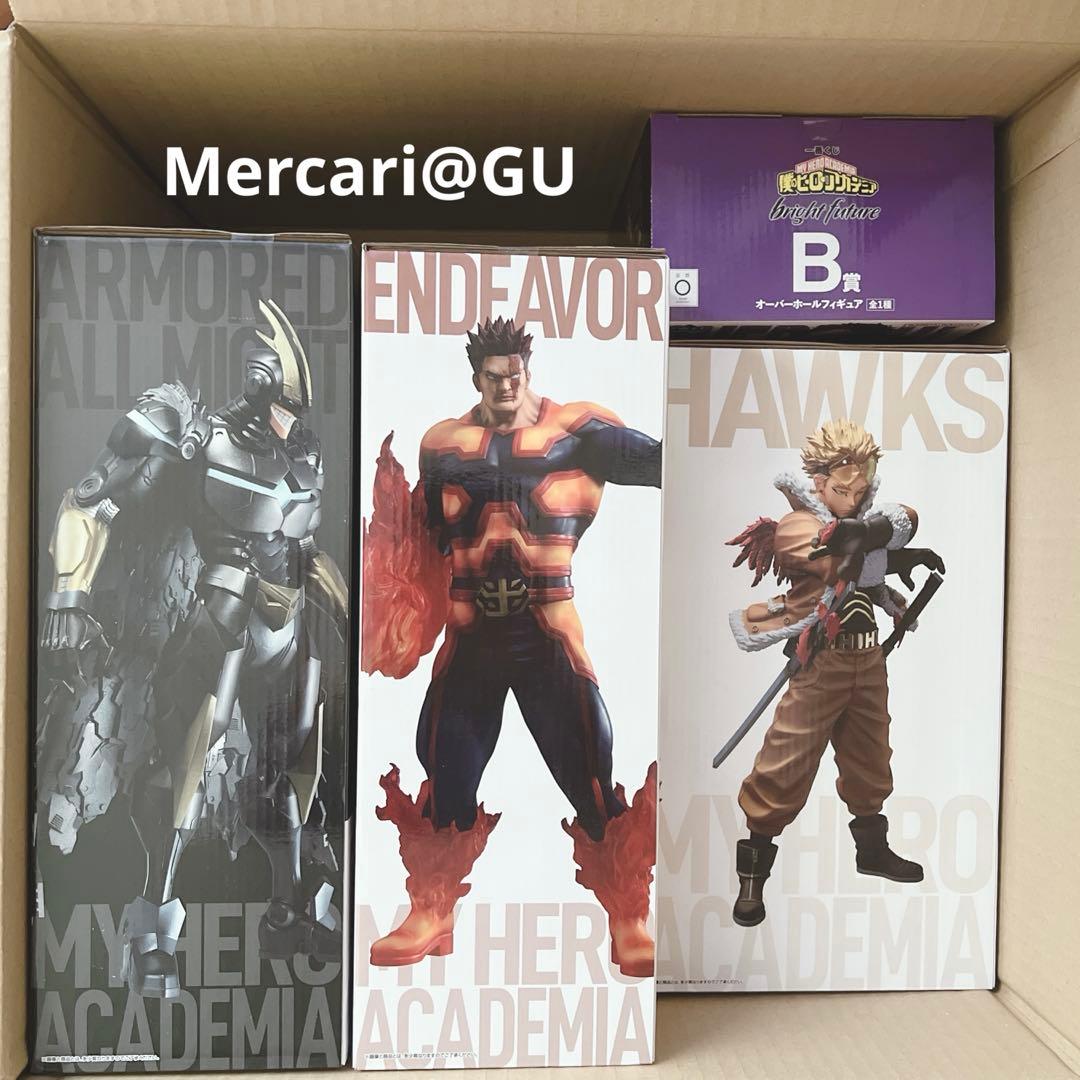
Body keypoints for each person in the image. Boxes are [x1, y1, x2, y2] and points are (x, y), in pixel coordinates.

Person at [362, 316, 659, 977]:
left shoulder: (578, 432)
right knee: (445, 761)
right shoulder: (443, 445)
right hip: (471, 635)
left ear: (528, 371)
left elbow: (666, 463)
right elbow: (413, 543)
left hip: (546, 631)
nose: (505, 386)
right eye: (493, 376)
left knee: (588, 764)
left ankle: (628, 915)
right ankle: (432, 911)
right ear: (478, 378)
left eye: (514, 375)